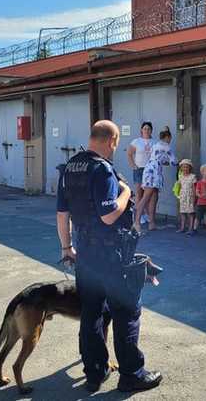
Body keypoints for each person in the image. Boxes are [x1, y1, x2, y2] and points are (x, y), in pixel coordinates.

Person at [56, 120, 161, 393]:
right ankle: (131, 374)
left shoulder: (70, 167)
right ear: (111, 140)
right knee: (126, 310)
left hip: (85, 252)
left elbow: (62, 214)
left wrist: (67, 248)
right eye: (116, 144)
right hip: (111, 253)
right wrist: (126, 192)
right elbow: (109, 214)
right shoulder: (101, 169)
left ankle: (94, 373)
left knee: (92, 312)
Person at [134, 126, 176, 232]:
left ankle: (151, 223)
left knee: (154, 197)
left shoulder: (157, 144)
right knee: (147, 196)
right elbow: (174, 161)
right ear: (168, 137)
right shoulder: (166, 146)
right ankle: (137, 222)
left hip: (150, 169)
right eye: (170, 138)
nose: (171, 140)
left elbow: (159, 159)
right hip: (155, 172)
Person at [126, 122, 154, 224]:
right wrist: (133, 165)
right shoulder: (136, 141)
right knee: (139, 193)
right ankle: (139, 216)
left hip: (150, 171)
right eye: (145, 128)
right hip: (139, 169)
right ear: (141, 130)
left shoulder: (154, 142)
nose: (146, 130)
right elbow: (129, 153)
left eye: (148, 129)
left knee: (149, 195)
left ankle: (146, 214)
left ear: (151, 130)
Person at [176, 159, 196, 235]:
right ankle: (182, 227)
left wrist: (194, 197)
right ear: (181, 168)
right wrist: (178, 195)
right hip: (183, 196)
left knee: (190, 212)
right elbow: (179, 186)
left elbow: (194, 188)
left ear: (190, 168)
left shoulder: (192, 176)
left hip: (190, 196)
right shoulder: (180, 176)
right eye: (183, 167)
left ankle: (191, 228)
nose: (185, 169)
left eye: (187, 167)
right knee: (183, 212)